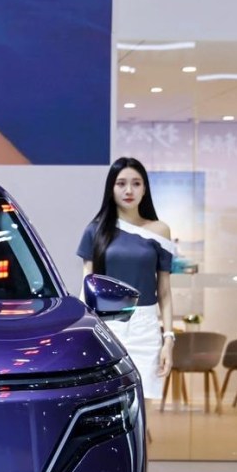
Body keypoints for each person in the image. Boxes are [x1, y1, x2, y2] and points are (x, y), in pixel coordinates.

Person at [78, 157, 176, 400]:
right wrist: (82, 332)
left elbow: (164, 292)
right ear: (111, 188)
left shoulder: (160, 230)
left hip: (146, 327)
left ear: (145, 189)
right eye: (121, 183)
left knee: (143, 406)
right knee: (106, 403)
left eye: (136, 183)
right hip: (106, 327)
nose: (129, 190)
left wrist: (168, 339)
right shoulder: (95, 230)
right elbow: (87, 287)